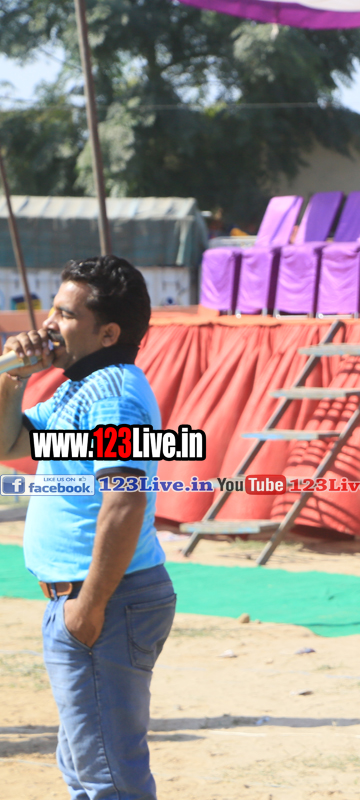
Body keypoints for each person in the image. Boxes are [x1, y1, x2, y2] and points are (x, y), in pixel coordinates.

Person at [0, 256, 171, 798]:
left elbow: (125, 501)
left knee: (107, 780)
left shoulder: (113, 396)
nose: (48, 324)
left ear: (108, 333)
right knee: (87, 767)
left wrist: (89, 607)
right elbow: (8, 444)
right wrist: (13, 376)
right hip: (88, 600)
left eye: (66, 314)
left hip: (104, 601)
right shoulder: (80, 388)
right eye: (52, 310)